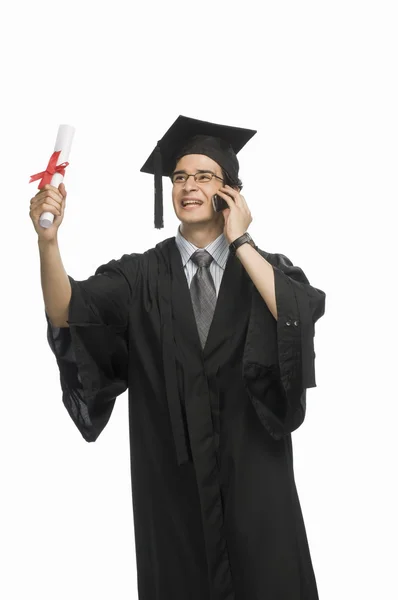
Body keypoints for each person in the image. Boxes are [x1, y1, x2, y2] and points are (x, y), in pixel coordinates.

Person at [30, 115, 326, 600]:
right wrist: (48, 242)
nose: (188, 186)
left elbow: (298, 314)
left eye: (203, 176)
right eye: (180, 177)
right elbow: (67, 311)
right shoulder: (140, 275)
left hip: (255, 486)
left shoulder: (264, 272)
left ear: (230, 193)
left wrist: (242, 241)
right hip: (173, 491)